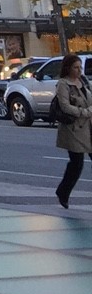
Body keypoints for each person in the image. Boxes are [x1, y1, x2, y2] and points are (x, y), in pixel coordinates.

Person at [54, 53, 92, 208]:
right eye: (75, 67)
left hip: (88, 126)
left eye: (80, 67)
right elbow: (64, 106)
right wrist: (84, 112)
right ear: (68, 68)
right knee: (77, 163)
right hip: (73, 129)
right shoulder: (63, 84)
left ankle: (63, 191)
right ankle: (63, 191)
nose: (79, 70)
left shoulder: (83, 81)